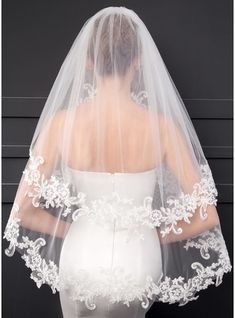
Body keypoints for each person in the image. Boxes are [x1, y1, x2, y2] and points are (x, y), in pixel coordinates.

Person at [3, 6, 232, 318]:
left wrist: (76, 229)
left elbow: (24, 210)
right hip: (137, 263)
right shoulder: (162, 127)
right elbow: (207, 217)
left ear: (87, 60)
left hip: (81, 259)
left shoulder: (61, 124)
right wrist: (154, 233)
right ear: (138, 62)